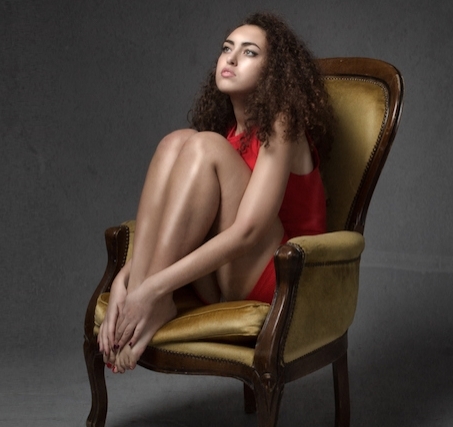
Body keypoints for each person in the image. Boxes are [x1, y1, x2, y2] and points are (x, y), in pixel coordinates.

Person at [97, 12, 334, 373]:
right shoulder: (226, 138)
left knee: (202, 146)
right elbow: (184, 223)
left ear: (275, 72)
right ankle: (144, 298)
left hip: (285, 274)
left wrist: (155, 287)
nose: (232, 58)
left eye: (250, 52)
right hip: (226, 275)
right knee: (177, 141)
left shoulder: (283, 121)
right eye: (227, 48)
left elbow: (249, 231)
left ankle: (152, 299)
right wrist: (126, 280)